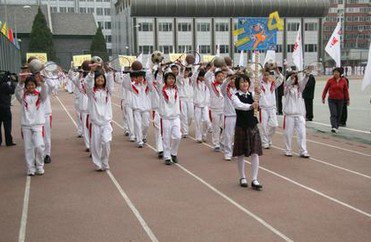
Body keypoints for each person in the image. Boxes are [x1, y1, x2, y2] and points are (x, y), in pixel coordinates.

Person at [231, 74, 263, 190]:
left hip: (252, 126)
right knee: (241, 153)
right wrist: (251, 106)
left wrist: (259, 93)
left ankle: (254, 179)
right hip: (241, 126)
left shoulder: (252, 94)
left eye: (246, 82)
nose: (245, 84)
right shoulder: (235, 96)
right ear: (238, 84)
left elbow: (260, 102)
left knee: (255, 152)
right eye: (242, 82)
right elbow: (239, 106)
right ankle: (242, 177)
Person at [15, 75, 48, 176]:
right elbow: (17, 93)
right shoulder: (23, 97)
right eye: (28, 85)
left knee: (39, 146)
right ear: (26, 86)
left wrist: (42, 82)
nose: (30, 87)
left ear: (35, 85)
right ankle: (30, 168)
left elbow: (45, 91)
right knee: (28, 148)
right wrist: (20, 83)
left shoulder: (40, 97)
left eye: (32, 85)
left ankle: (39, 166)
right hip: (26, 125)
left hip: (38, 125)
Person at [149, 70, 182, 165]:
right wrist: (159, 72)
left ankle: (173, 153)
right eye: (169, 78)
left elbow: (180, 76)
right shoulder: (161, 89)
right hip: (165, 118)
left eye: (173, 78)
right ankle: (167, 157)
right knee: (166, 138)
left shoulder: (177, 88)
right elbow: (159, 81)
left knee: (178, 137)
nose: (171, 80)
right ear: (165, 80)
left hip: (176, 117)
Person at [85, 68, 114, 171]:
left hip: (106, 122)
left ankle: (105, 161)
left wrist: (110, 73)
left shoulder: (108, 92)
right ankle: (97, 163)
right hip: (95, 123)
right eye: (98, 78)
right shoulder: (91, 93)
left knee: (106, 143)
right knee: (96, 145)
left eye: (102, 77)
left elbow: (111, 84)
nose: (100, 79)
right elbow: (87, 84)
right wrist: (91, 73)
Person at [283, 72, 310, 158]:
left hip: (299, 115)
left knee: (302, 133)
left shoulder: (299, 88)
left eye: (295, 78)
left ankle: (303, 151)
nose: (294, 79)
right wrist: (290, 78)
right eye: (292, 78)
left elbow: (304, 82)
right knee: (288, 133)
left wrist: (307, 76)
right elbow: (286, 84)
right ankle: (288, 150)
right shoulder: (286, 88)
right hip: (289, 115)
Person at [259, 68, 284, 149]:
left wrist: (278, 72)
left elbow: (280, 79)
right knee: (263, 126)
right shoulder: (259, 84)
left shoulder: (273, 84)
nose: (266, 77)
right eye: (264, 75)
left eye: (267, 75)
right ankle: (265, 142)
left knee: (274, 125)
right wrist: (261, 72)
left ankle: (268, 139)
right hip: (263, 108)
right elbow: (255, 81)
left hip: (272, 108)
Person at [322, 67, 350, 133]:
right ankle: (334, 127)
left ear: (340, 73)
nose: (335, 73)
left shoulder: (344, 81)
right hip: (331, 100)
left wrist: (348, 99)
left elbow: (346, 91)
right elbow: (325, 89)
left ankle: (336, 126)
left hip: (341, 100)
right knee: (333, 113)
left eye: (337, 72)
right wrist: (323, 97)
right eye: (334, 72)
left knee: (339, 114)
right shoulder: (330, 80)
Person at [205, 66, 226, 151]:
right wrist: (212, 69)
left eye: (222, 76)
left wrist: (227, 68)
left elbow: (232, 76)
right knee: (216, 127)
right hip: (214, 109)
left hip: (224, 109)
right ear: (215, 77)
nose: (221, 77)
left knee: (225, 126)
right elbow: (206, 77)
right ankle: (216, 144)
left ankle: (222, 141)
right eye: (219, 76)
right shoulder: (211, 85)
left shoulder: (225, 85)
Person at [221, 74, 237, 161]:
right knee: (228, 135)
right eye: (232, 80)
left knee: (238, 135)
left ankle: (236, 151)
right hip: (229, 116)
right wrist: (227, 79)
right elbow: (223, 86)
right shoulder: (225, 91)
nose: (233, 81)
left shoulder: (239, 91)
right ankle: (228, 153)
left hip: (239, 115)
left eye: (235, 80)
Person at [0, 71, 17, 146]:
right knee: (7, 126)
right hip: (5, 108)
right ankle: (8, 141)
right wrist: (13, 81)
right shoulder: (4, 85)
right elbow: (12, 91)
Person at [177, 67, 194, 138]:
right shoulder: (179, 80)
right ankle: (185, 131)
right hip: (182, 99)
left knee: (190, 116)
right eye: (185, 71)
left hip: (190, 100)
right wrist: (183, 68)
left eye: (187, 72)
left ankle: (185, 127)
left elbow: (195, 74)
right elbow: (180, 76)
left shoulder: (191, 80)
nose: (186, 73)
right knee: (183, 115)